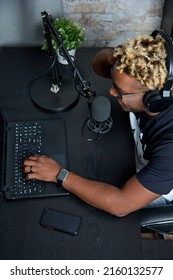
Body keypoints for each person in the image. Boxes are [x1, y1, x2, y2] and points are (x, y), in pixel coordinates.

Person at [23, 31, 173, 217]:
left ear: (154, 98)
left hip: (153, 192)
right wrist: (125, 56)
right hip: (134, 149)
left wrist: (58, 174)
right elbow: (98, 64)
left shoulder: (170, 152)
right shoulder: (155, 87)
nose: (111, 92)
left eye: (120, 91)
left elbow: (120, 205)